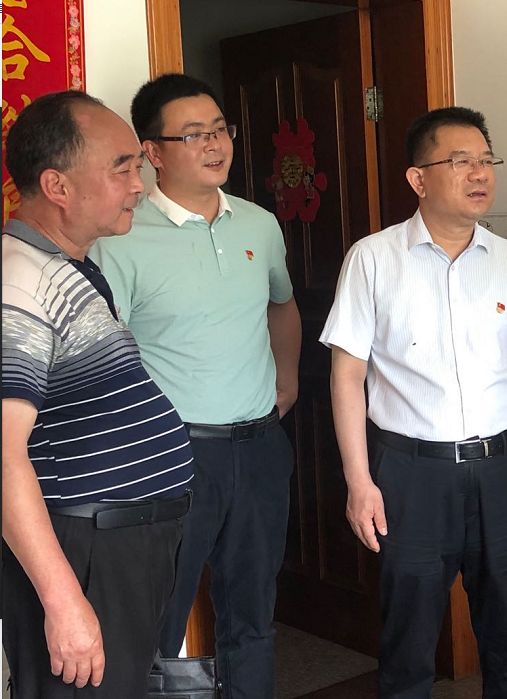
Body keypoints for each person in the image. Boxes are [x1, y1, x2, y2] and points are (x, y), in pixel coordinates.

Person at [321, 106, 507, 699]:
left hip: (501, 470)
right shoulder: (373, 258)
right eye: (460, 161)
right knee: (408, 645)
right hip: (412, 474)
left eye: (486, 160)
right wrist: (359, 481)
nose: (479, 173)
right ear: (418, 178)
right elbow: (347, 375)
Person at [90, 74, 301, 699]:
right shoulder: (122, 236)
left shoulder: (259, 224)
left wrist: (287, 377)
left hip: (259, 448)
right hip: (172, 454)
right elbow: (103, 349)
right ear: (152, 152)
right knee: (158, 615)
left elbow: (282, 305)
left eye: (219, 130)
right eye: (192, 135)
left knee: (254, 611)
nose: (214, 144)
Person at [2, 91, 194, 697]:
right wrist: (63, 602)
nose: (139, 184)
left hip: (115, 543)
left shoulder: (70, 266)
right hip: (84, 551)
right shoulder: (17, 280)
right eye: (122, 168)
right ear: (57, 185)